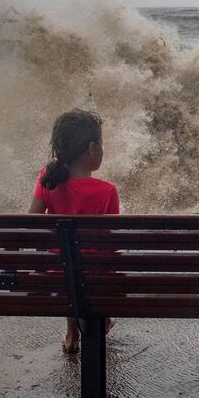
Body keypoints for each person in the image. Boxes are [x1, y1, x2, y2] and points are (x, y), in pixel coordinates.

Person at [28, 109, 120, 354]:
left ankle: (72, 334)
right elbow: (109, 248)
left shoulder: (47, 178)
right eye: (101, 144)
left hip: (56, 275)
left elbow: (31, 223)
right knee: (93, 265)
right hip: (94, 278)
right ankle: (102, 319)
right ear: (91, 148)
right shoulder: (107, 191)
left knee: (68, 263)